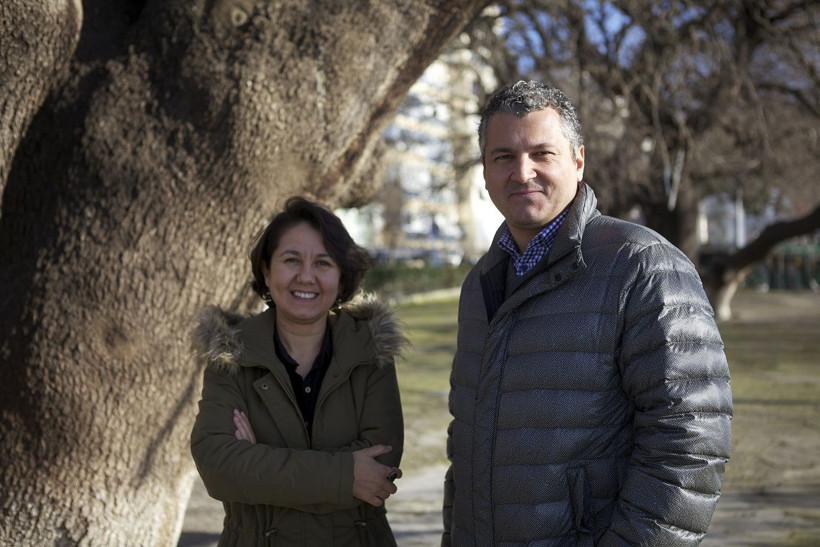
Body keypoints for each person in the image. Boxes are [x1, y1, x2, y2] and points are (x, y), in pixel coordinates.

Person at [442, 81, 733, 546]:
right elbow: (466, 446)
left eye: (542, 153)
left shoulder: (642, 265)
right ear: (484, 170)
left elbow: (690, 446)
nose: (522, 172)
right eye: (503, 157)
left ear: (578, 160)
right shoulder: (478, 283)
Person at [190, 196, 407, 546]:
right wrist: (345, 474)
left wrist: (259, 461)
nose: (306, 276)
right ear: (266, 270)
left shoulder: (372, 349)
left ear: (341, 275)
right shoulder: (230, 352)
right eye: (291, 260)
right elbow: (219, 467)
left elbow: (380, 470)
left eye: (323, 263)